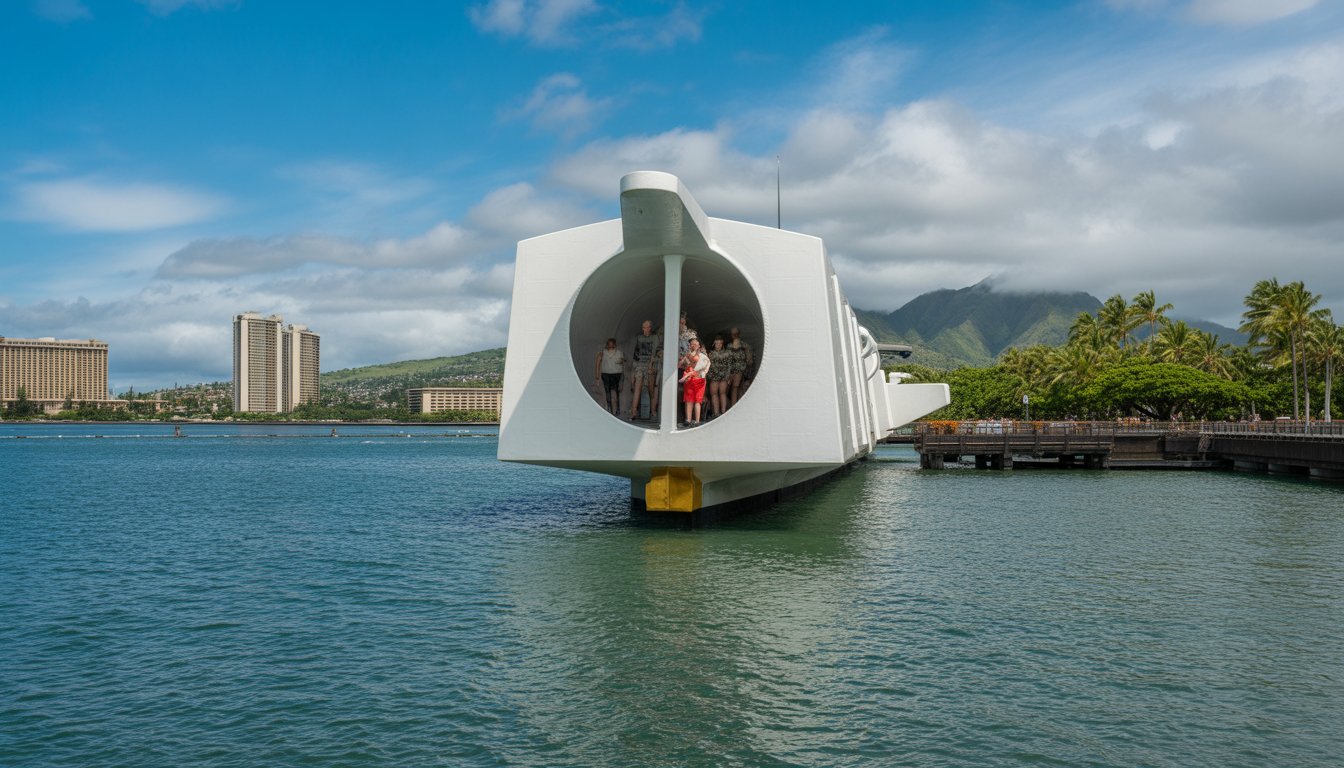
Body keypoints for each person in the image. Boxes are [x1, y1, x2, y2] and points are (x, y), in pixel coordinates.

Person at [629, 319, 660, 421]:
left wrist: (651, 366)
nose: (645, 329)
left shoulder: (655, 337)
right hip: (640, 364)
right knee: (637, 386)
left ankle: (653, 410)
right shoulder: (639, 338)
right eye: (644, 327)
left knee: (651, 389)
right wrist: (634, 371)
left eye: (647, 327)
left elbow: (654, 352)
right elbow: (636, 354)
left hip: (650, 365)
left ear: (650, 328)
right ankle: (633, 411)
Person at [678, 336, 710, 426]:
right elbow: (681, 365)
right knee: (689, 400)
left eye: (695, 344)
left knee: (697, 400)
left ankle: (697, 420)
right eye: (691, 344)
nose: (693, 345)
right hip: (689, 380)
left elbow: (705, 366)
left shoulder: (703, 356)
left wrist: (701, 373)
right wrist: (684, 361)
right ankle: (688, 420)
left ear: (699, 345)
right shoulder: (687, 355)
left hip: (699, 380)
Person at [594, 337, 625, 415]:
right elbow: (597, 364)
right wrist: (597, 377)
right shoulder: (602, 353)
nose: (610, 345)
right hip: (606, 375)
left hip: (617, 375)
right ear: (607, 345)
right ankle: (609, 409)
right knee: (607, 392)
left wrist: (621, 361)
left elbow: (623, 361)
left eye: (612, 344)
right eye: (609, 344)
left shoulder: (619, 352)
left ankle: (616, 409)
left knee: (616, 392)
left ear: (615, 344)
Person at [706, 335, 732, 420]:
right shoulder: (711, 353)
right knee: (715, 394)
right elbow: (708, 365)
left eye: (720, 343)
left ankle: (722, 412)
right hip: (715, 376)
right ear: (714, 343)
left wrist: (728, 376)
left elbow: (729, 365)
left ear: (722, 343)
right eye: (717, 343)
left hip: (721, 376)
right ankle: (717, 413)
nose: (719, 345)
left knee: (721, 393)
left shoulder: (726, 352)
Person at [728, 327, 753, 407]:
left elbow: (749, 360)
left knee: (735, 388)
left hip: (737, 370)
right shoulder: (744, 345)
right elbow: (749, 360)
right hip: (737, 370)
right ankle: (735, 405)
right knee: (736, 388)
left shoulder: (731, 346)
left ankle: (734, 405)